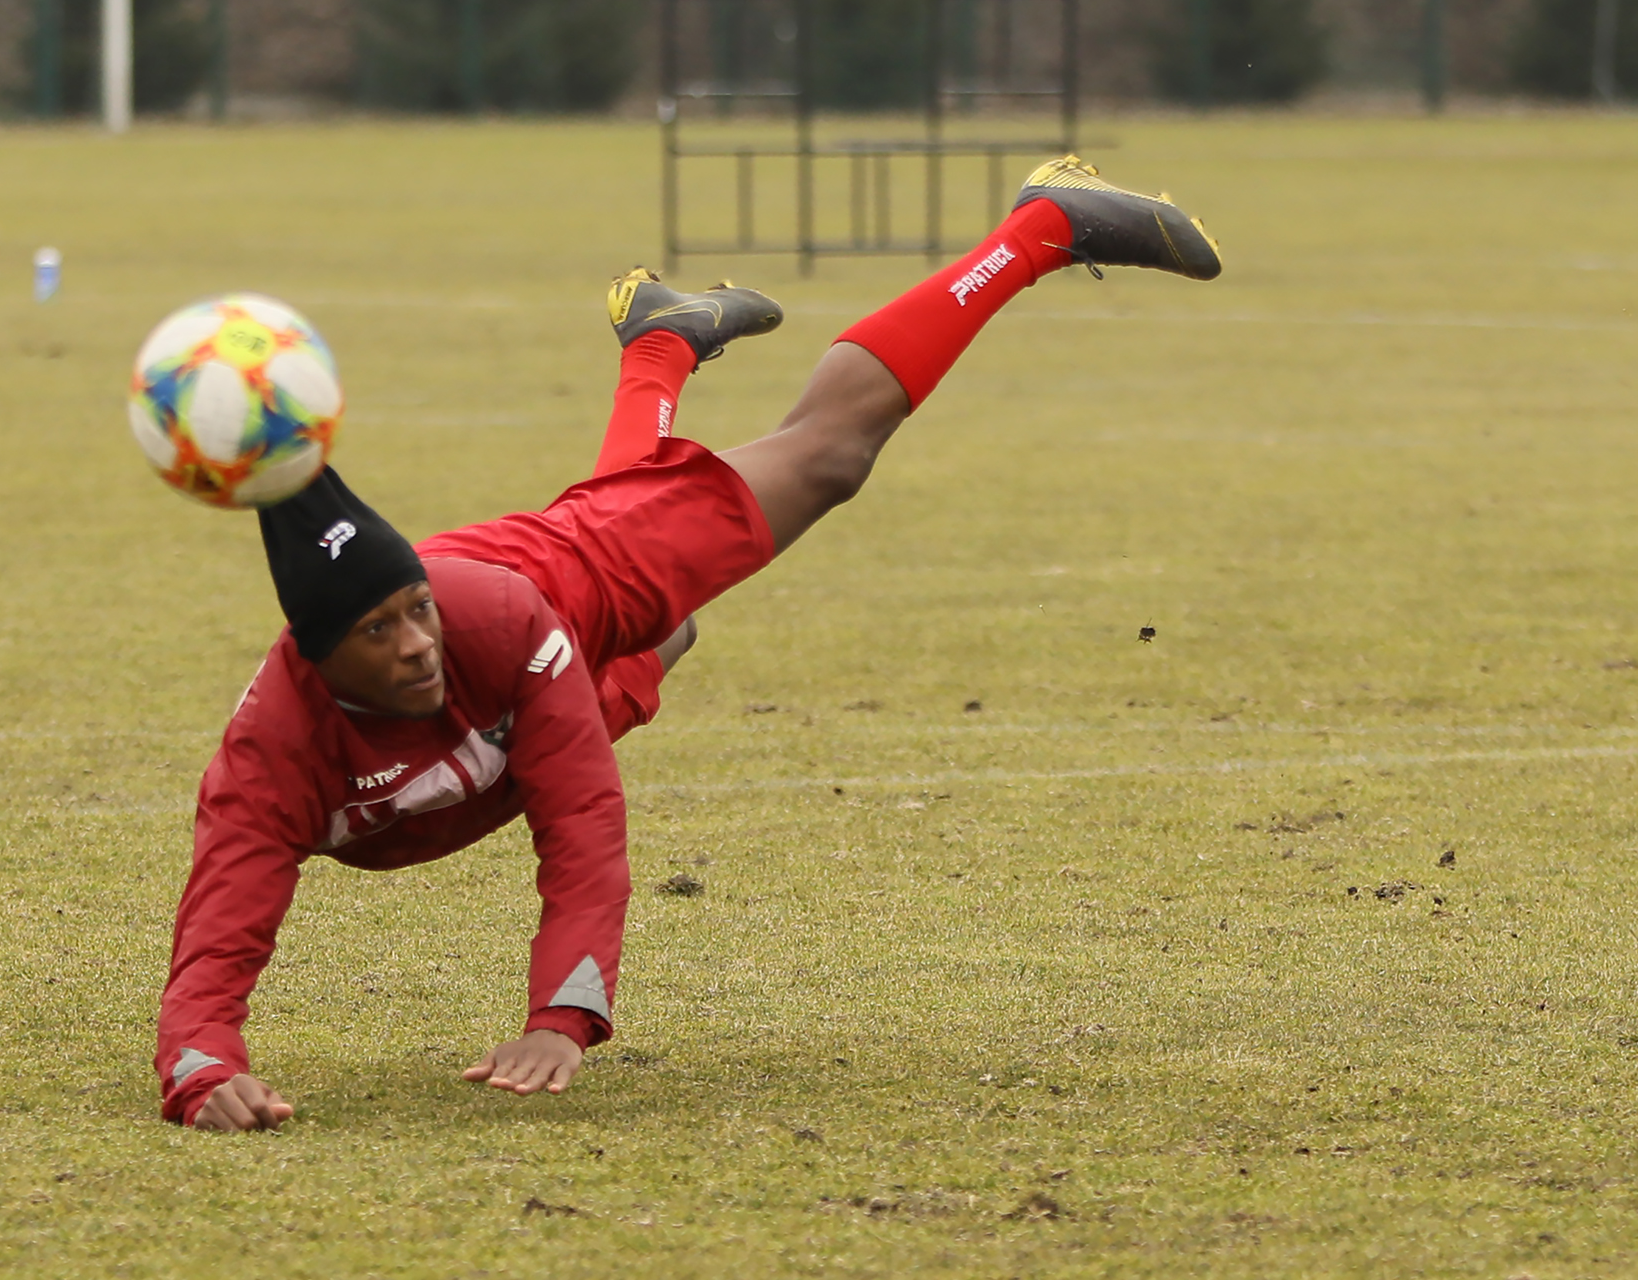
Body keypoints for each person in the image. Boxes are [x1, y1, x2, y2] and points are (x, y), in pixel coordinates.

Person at [158, 156, 1223, 1130]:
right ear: (318, 658)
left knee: (827, 457)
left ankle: (1039, 228)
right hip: (510, 713)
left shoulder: (491, 619)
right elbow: (218, 932)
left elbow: (581, 818)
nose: (414, 644)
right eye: (377, 630)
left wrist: (560, 1015)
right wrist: (202, 1068)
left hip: (568, 584)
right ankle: (660, 344)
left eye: (415, 609)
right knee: (673, 632)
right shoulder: (269, 759)